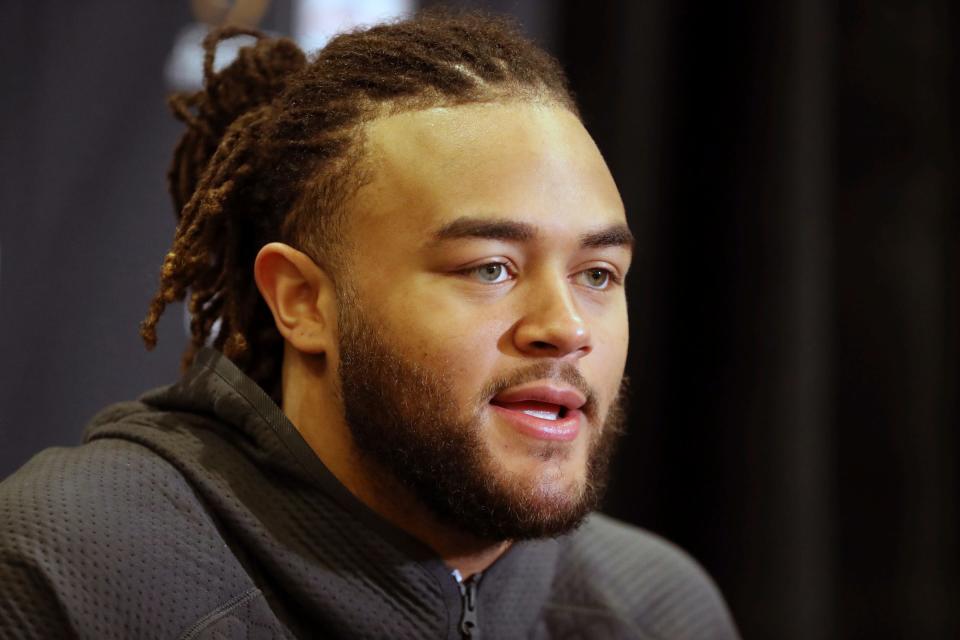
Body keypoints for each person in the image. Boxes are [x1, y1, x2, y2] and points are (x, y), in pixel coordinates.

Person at [0, 11, 739, 640]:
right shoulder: (71, 572)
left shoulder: (657, 607)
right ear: (302, 301)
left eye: (598, 275)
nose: (566, 326)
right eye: (491, 268)